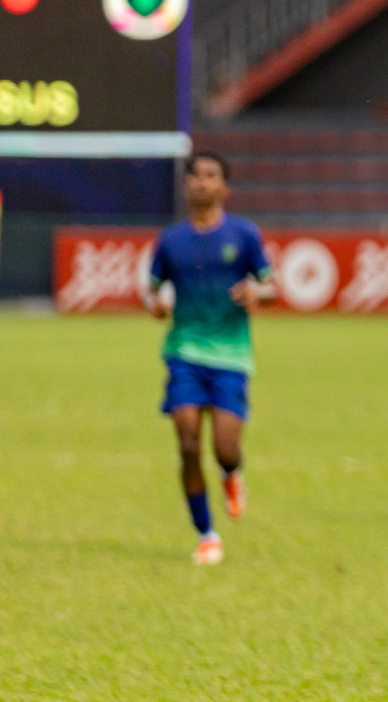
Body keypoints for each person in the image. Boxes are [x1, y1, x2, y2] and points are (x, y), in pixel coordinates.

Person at [143, 151, 275, 565]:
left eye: (211, 176)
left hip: (231, 357)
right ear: (185, 186)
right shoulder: (170, 240)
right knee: (186, 442)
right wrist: (157, 305)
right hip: (183, 351)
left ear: (224, 187)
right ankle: (206, 535)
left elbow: (271, 286)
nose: (202, 182)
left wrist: (258, 294)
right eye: (195, 176)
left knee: (225, 448)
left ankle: (231, 475)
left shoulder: (244, 234)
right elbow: (152, 288)